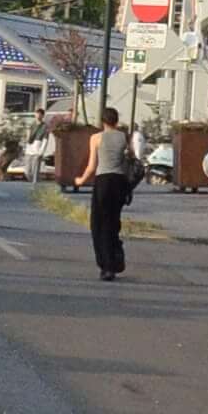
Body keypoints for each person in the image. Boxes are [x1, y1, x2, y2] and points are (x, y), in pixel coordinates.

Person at [75, 102, 141, 282]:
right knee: (113, 222)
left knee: (98, 224)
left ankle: (106, 266)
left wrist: (80, 180)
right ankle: (115, 256)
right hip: (119, 182)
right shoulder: (124, 137)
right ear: (117, 121)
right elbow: (132, 160)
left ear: (102, 121)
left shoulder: (96, 138)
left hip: (103, 182)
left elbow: (92, 166)